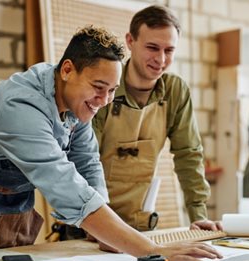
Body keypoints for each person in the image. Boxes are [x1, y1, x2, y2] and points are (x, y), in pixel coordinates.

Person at [0, 25, 222, 261]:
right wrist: (152, 250)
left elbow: (88, 161)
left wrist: (106, 233)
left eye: (112, 91)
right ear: (68, 70)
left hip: (9, 207)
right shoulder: (22, 106)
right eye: (98, 88)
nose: (104, 101)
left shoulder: (73, 102)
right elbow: (66, 186)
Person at [92, 5, 221, 232]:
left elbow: (188, 155)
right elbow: (84, 159)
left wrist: (198, 215)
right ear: (130, 41)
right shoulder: (104, 85)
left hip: (138, 226)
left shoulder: (175, 91)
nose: (160, 59)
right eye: (152, 47)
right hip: (90, 223)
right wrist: (97, 225)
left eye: (169, 50)